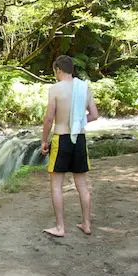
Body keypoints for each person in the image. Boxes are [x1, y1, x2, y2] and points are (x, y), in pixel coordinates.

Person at [40, 55, 99, 237]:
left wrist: (44, 141)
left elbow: (49, 118)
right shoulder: (84, 87)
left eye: (55, 71)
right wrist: (79, 122)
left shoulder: (56, 89)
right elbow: (94, 115)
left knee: (56, 185)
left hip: (62, 138)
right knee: (82, 184)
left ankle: (60, 227)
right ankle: (86, 224)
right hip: (79, 138)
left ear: (58, 69)